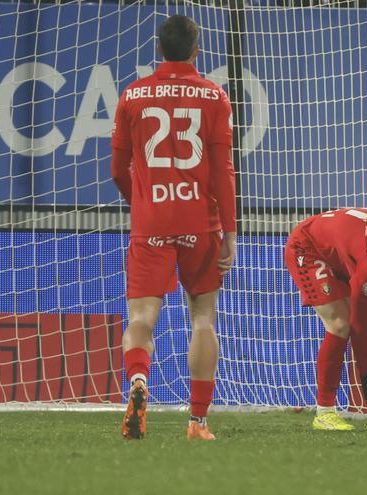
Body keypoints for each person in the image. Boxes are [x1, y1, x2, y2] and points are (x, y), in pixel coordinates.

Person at [111, 15, 236, 441]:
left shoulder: (133, 94)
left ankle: (139, 382)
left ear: (159, 49)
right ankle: (198, 421)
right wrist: (231, 233)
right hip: (200, 222)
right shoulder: (214, 95)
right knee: (203, 318)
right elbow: (223, 171)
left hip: (152, 220)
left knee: (141, 317)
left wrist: (142, 202)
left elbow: (117, 169)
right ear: (197, 49)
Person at [284, 207, 367, 431]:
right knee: (341, 325)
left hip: (339, 249)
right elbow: (358, 329)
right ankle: (324, 412)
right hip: (308, 246)